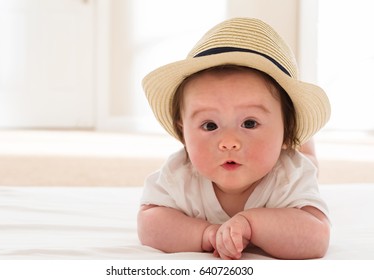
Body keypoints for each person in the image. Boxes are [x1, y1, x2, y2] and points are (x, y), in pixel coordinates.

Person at [138, 17, 331, 260]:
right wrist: (206, 234)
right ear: (183, 131)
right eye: (210, 125)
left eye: (249, 123)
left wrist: (252, 224)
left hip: (288, 156)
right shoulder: (180, 174)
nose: (228, 142)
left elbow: (316, 237)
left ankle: (302, 142)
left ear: (286, 129)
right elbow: (149, 222)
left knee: (308, 161)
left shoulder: (291, 175)